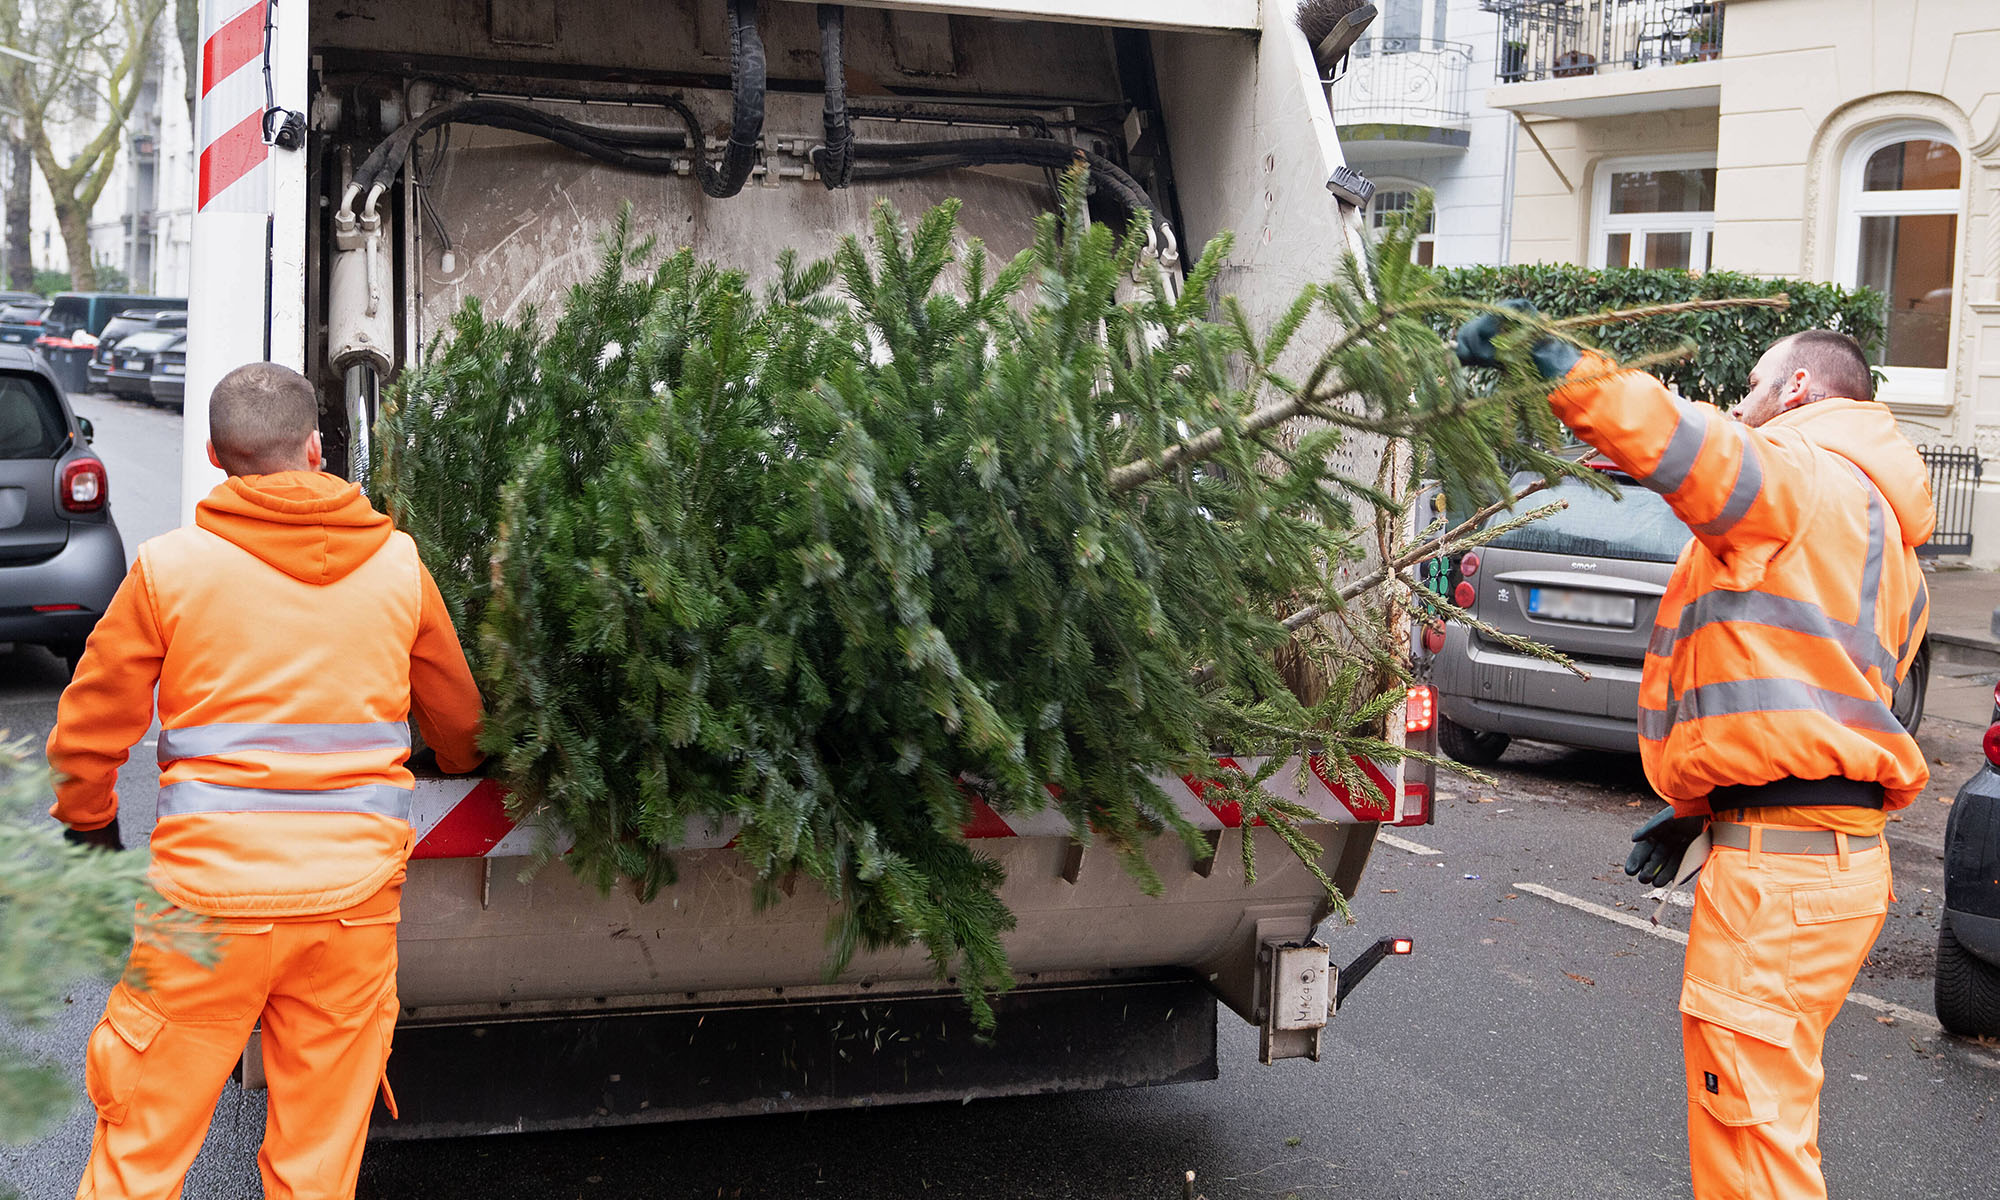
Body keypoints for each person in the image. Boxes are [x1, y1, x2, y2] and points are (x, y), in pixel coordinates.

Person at [1456, 311, 1931, 1200]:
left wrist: (1555, 359)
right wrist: (1696, 809)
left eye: (1753, 385)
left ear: (1796, 391)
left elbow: (1679, 441)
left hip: (1778, 882)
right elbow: (1808, 700)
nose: (1743, 405)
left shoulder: (1800, 473)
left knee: (1754, 1152)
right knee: (1771, 1128)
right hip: (1831, 864)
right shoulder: (1889, 548)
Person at [47, 363, 485, 1199]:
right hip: (348, 909)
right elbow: (459, 724)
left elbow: (89, 729)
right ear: (317, 449)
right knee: (315, 1168)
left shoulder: (169, 569)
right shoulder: (398, 566)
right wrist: (456, 767)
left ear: (214, 456)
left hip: (204, 912)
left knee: (139, 1156)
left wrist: (91, 824)